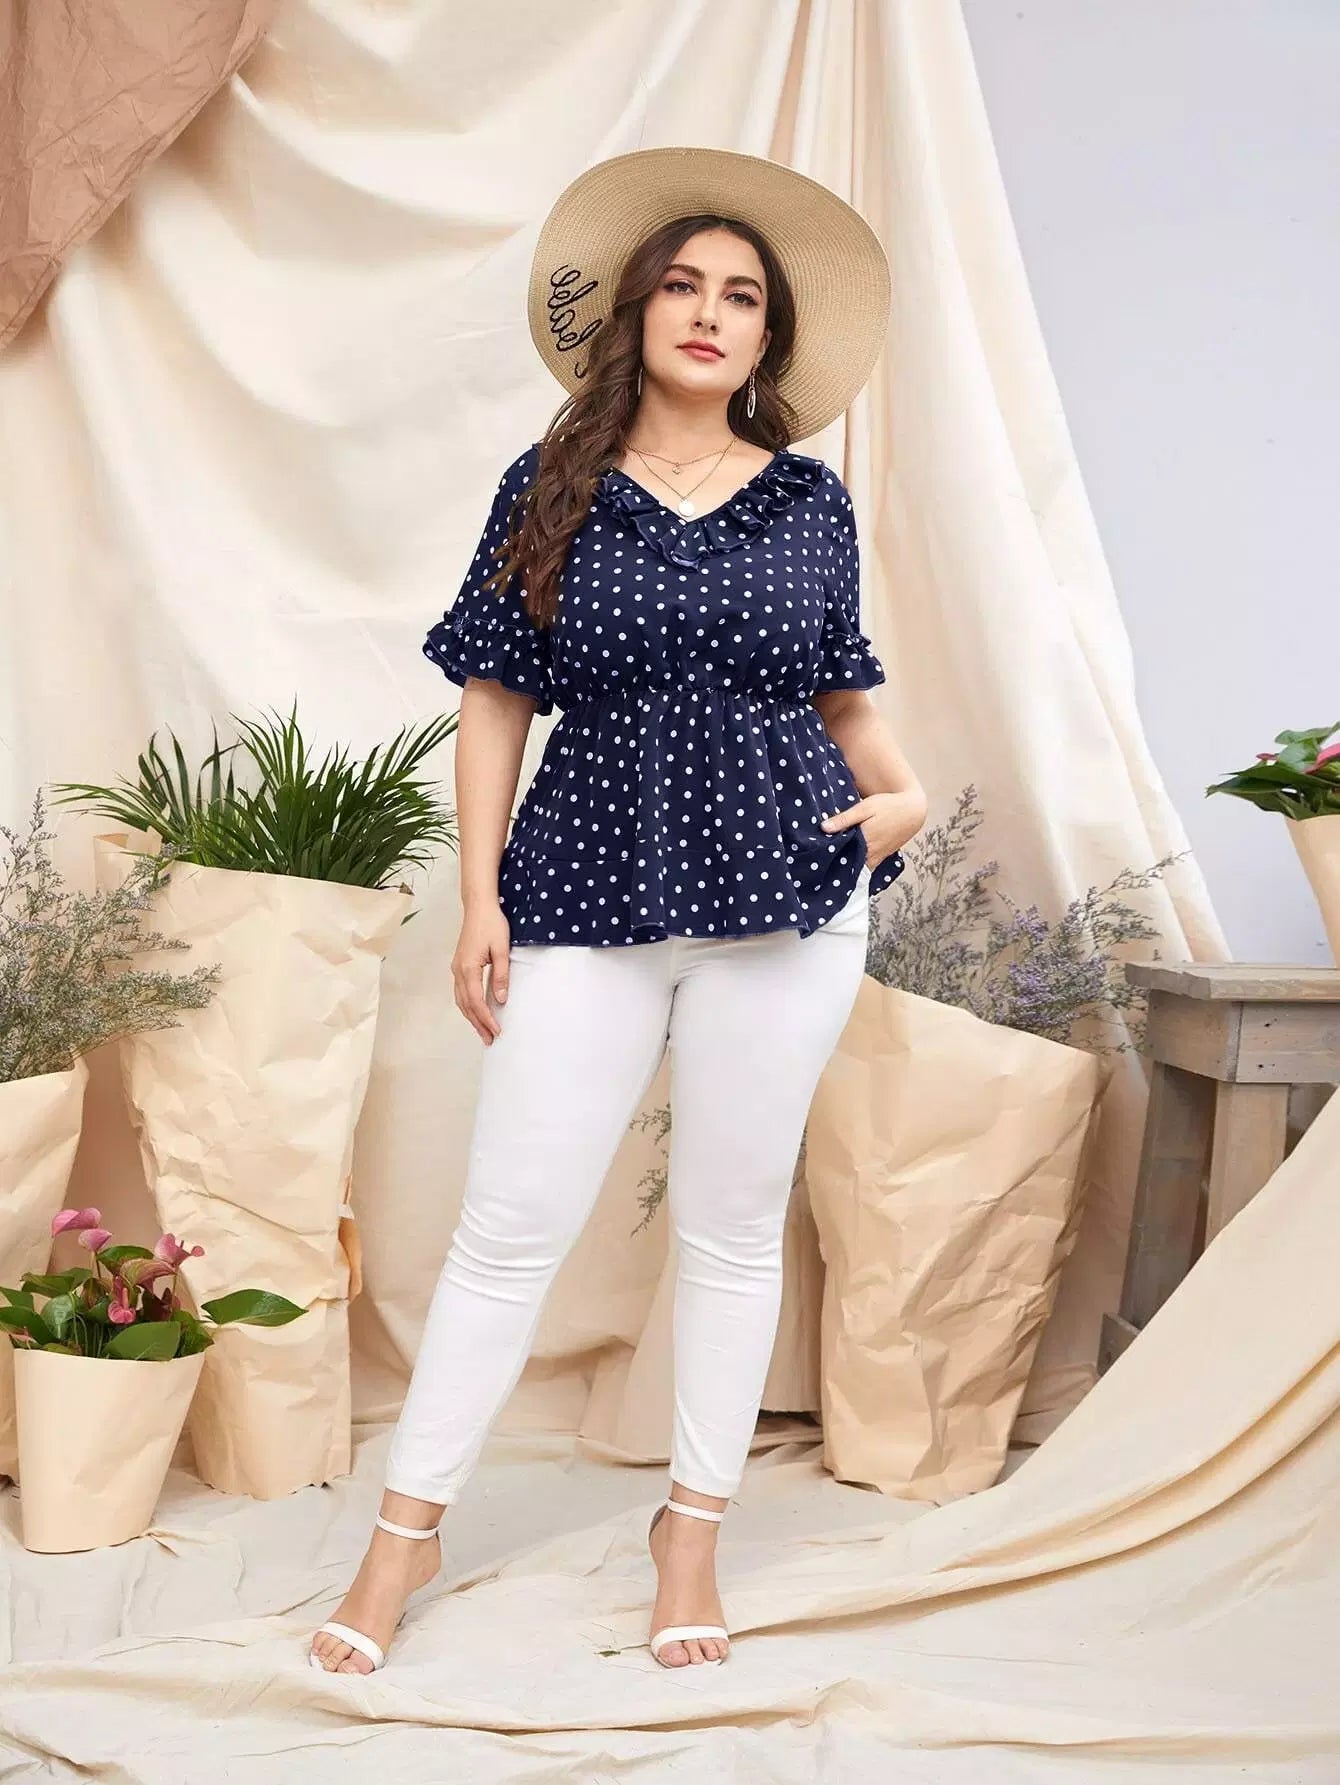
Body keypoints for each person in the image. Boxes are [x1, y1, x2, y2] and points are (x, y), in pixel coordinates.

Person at [310, 145, 927, 1677]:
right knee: (508, 1225)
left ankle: (690, 1534)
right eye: (685, 286)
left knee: (730, 1225)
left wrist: (902, 796)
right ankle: (403, 1538)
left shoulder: (810, 500)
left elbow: (843, 700)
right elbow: (494, 700)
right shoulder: (549, 488)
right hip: (583, 882)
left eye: (743, 297)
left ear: (768, 337)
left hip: (790, 892)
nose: (711, 312)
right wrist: (479, 899)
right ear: (637, 311)